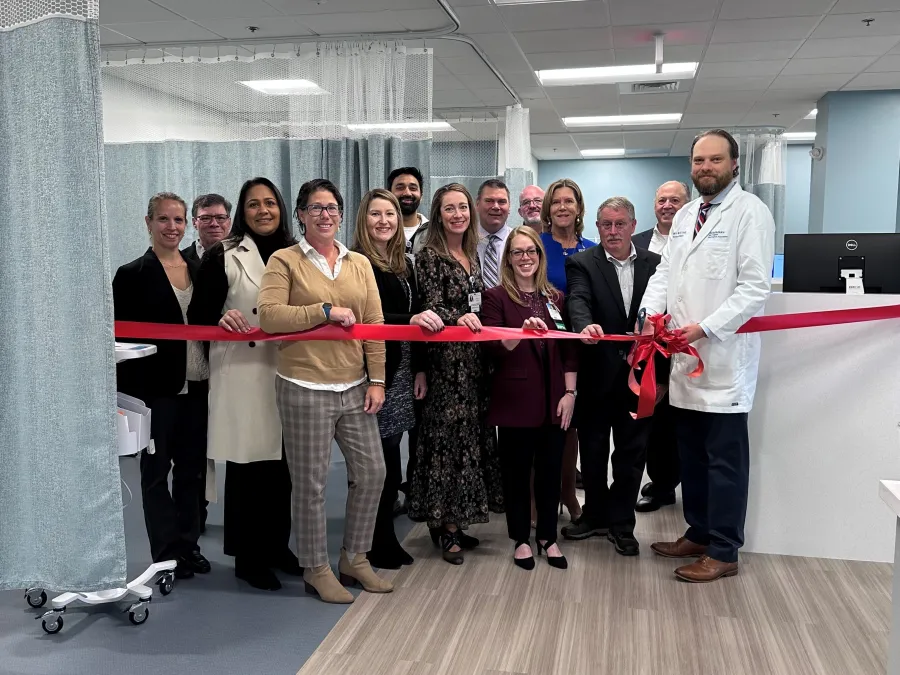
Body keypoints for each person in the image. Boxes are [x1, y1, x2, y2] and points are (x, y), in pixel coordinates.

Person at [642, 129, 775, 583]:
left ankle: (724, 550)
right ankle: (697, 532)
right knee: (692, 457)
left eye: (714, 160)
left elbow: (755, 287)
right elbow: (665, 271)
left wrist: (704, 328)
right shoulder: (684, 216)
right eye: (698, 160)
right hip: (683, 364)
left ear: (734, 164)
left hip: (721, 362)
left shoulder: (750, 213)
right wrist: (648, 313)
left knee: (723, 462)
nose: (705, 168)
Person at [258, 178, 392, 603]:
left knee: (373, 472)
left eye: (332, 207)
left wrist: (377, 379)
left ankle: (355, 557)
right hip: (304, 385)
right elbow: (270, 315)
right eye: (315, 208)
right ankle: (315, 568)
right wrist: (324, 312)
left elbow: (374, 323)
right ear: (300, 214)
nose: (325, 215)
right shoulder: (285, 259)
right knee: (311, 485)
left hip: (354, 387)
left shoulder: (359, 263)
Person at [187, 178, 299, 591]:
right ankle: (248, 557)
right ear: (242, 211)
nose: (263, 210)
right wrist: (220, 320)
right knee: (249, 465)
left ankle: (278, 546)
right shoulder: (224, 255)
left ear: (282, 208)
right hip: (245, 370)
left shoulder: (296, 253)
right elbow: (199, 316)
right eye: (254, 204)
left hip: (291, 367)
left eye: (270, 203)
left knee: (285, 465)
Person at [113, 192, 211, 580]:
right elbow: (121, 340)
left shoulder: (201, 268)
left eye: (179, 220)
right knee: (155, 472)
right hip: (155, 391)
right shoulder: (131, 274)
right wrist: (127, 399)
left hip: (198, 384)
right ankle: (166, 551)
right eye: (164, 220)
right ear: (149, 222)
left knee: (192, 471)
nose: (172, 227)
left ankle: (189, 545)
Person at [407, 183, 503, 565]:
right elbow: (429, 309)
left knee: (469, 443)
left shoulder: (471, 254)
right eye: (450, 209)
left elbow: (475, 303)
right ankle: (444, 527)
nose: (458, 214)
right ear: (438, 213)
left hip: (475, 365)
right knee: (446, 446)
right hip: (447, 367)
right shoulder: (429, 256)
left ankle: (456, 520)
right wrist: (455, 318)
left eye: (463, 207)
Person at [563, 197, 661, 557]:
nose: (613, 231)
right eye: (606, 224)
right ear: (597, 228)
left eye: (620, 223)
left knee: (631, 455)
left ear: (633, 226)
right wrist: (583, 324)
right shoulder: (581, 262)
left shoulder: (656, 264)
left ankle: (622, 525)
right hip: (596, 376)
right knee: (592, 451)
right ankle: (595, 516)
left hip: (639, 377)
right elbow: (578, 300)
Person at [351, 188, 444, 569]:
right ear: (364, 219)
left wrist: (420, 366)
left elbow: (418, 314)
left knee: (390, 458)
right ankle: (374, 540)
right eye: (376, 214)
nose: (384, 221)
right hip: (375, 371)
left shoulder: (403, 262)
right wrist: (409, 322)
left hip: (403, 369)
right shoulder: (356, 262)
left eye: (390, 214)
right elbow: (366, 321)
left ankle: (381, 536)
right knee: (379, 464)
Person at [482, 227, 576, 571]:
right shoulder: (495, 297)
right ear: (508, 258)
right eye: (518, 252)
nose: (525, 258)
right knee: (517, 474)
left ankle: (548, 538)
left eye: (531, 251)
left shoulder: (555, 297)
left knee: (551, 473)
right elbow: (492, 349)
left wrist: (570, 393)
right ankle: (521, 539)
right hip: (515, 400)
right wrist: (518, 335)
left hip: (555, 400)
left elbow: (568, 347)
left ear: (540, 256)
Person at [539, 178, 596, 522]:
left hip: (581, 351)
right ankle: (536, 496)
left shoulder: (591, 248)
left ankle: (568, 494)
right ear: (548, 208)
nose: (562, 207)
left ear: (578, 208)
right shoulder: (535, 244)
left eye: (569, 201)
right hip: (543, 348)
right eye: (556, 201)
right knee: (540, 424)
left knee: (571, 424)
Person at [633, 181, 690, 513]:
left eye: (675, 200)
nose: (668, 205)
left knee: (674, 420)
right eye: (662, 200)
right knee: (650, 416)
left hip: (685, 342)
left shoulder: (695, 240)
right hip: (647, 344)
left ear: (688, 204)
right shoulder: (638, 242)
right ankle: (659, 484)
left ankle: (671, 480)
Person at [475, 178, 512, 289]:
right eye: (489, 201)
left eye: (502, 202)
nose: (496, 206)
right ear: (477, 204)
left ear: (509, 207)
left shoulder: (518, 241)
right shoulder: (463, 240)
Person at [388, 166, 428, 254]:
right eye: (400, 188)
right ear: (389, 194)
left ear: (421, 196)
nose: (407, 193)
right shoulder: (381, 230)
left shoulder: (434, 232)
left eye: (413, 188)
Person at [183, 193, 232, 262]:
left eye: (220, 218)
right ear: (194, 223)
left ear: (229, 222)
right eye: (205, 218)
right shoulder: (179, 260)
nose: (214, 224)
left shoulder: (244, 257)